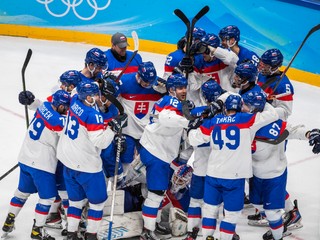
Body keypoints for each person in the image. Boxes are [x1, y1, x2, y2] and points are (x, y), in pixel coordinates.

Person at [187, 93, 278, 240]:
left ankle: (208, 237)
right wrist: (265, 101)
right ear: (240, 106)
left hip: (212, 175)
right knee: (231, 215)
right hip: (234, 177)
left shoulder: (213, 121)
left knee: (210, 210)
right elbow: (273, 114)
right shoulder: (247, 119)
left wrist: (192, 128)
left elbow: (193, 139)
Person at [56, 80, 127, 240]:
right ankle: (91, 235)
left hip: (68, 161)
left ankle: (72, 234)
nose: (96, 96)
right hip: (87, 166)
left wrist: (98, 82)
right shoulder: (92, 115)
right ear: (86, 97)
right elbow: (101, 142)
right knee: (98, 202)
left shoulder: (74, 101)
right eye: (93, 95)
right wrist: (112, 128)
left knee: (75, 201)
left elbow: (79, 89)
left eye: (96, 93)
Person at [1, 90, 71, 240]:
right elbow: (70, 127)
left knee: (22, 193)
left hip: (25, 158)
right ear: (58, 105)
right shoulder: (58, 122)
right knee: (48, 198)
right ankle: (37, 231)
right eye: (64, 107)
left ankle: (9, 220)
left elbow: (38, 104)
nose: (66, 109)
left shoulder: (44, 106)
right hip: (41, 164)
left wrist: (31, 101)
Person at [254, 48, 302, 232]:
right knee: (256, 172)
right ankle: (267, 210)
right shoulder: (261, 75)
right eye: (261, 63)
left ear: (275, 67)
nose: (261, 66)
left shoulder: (283, 85)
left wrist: (266, 104)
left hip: (273, 133)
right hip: (258, 129)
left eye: (265, 65)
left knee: (271, 176)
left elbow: (285, 112)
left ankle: (292, 212)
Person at [139, 74, 191, 240]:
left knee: (158, 193)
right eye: (180, 88)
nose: (183, 91)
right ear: (171, 90)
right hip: (157, 154)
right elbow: (166, 117)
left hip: (152, 148)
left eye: (184, 87)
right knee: (156, 194)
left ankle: (153, 225)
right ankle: (147, 232)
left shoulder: (168, 100)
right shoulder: (172, 102)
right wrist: (187, 121)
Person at [117, 61, 163, 173]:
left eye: (150, 82)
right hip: (128, 130)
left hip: (147, 131)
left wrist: (167, 91)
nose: (148, 85)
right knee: (125, 159)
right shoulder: (125, 82)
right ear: (138, 76)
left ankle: (139, 185)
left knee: (147, 161)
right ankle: (124, 183)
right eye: (145, 82)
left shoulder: (159, 86)